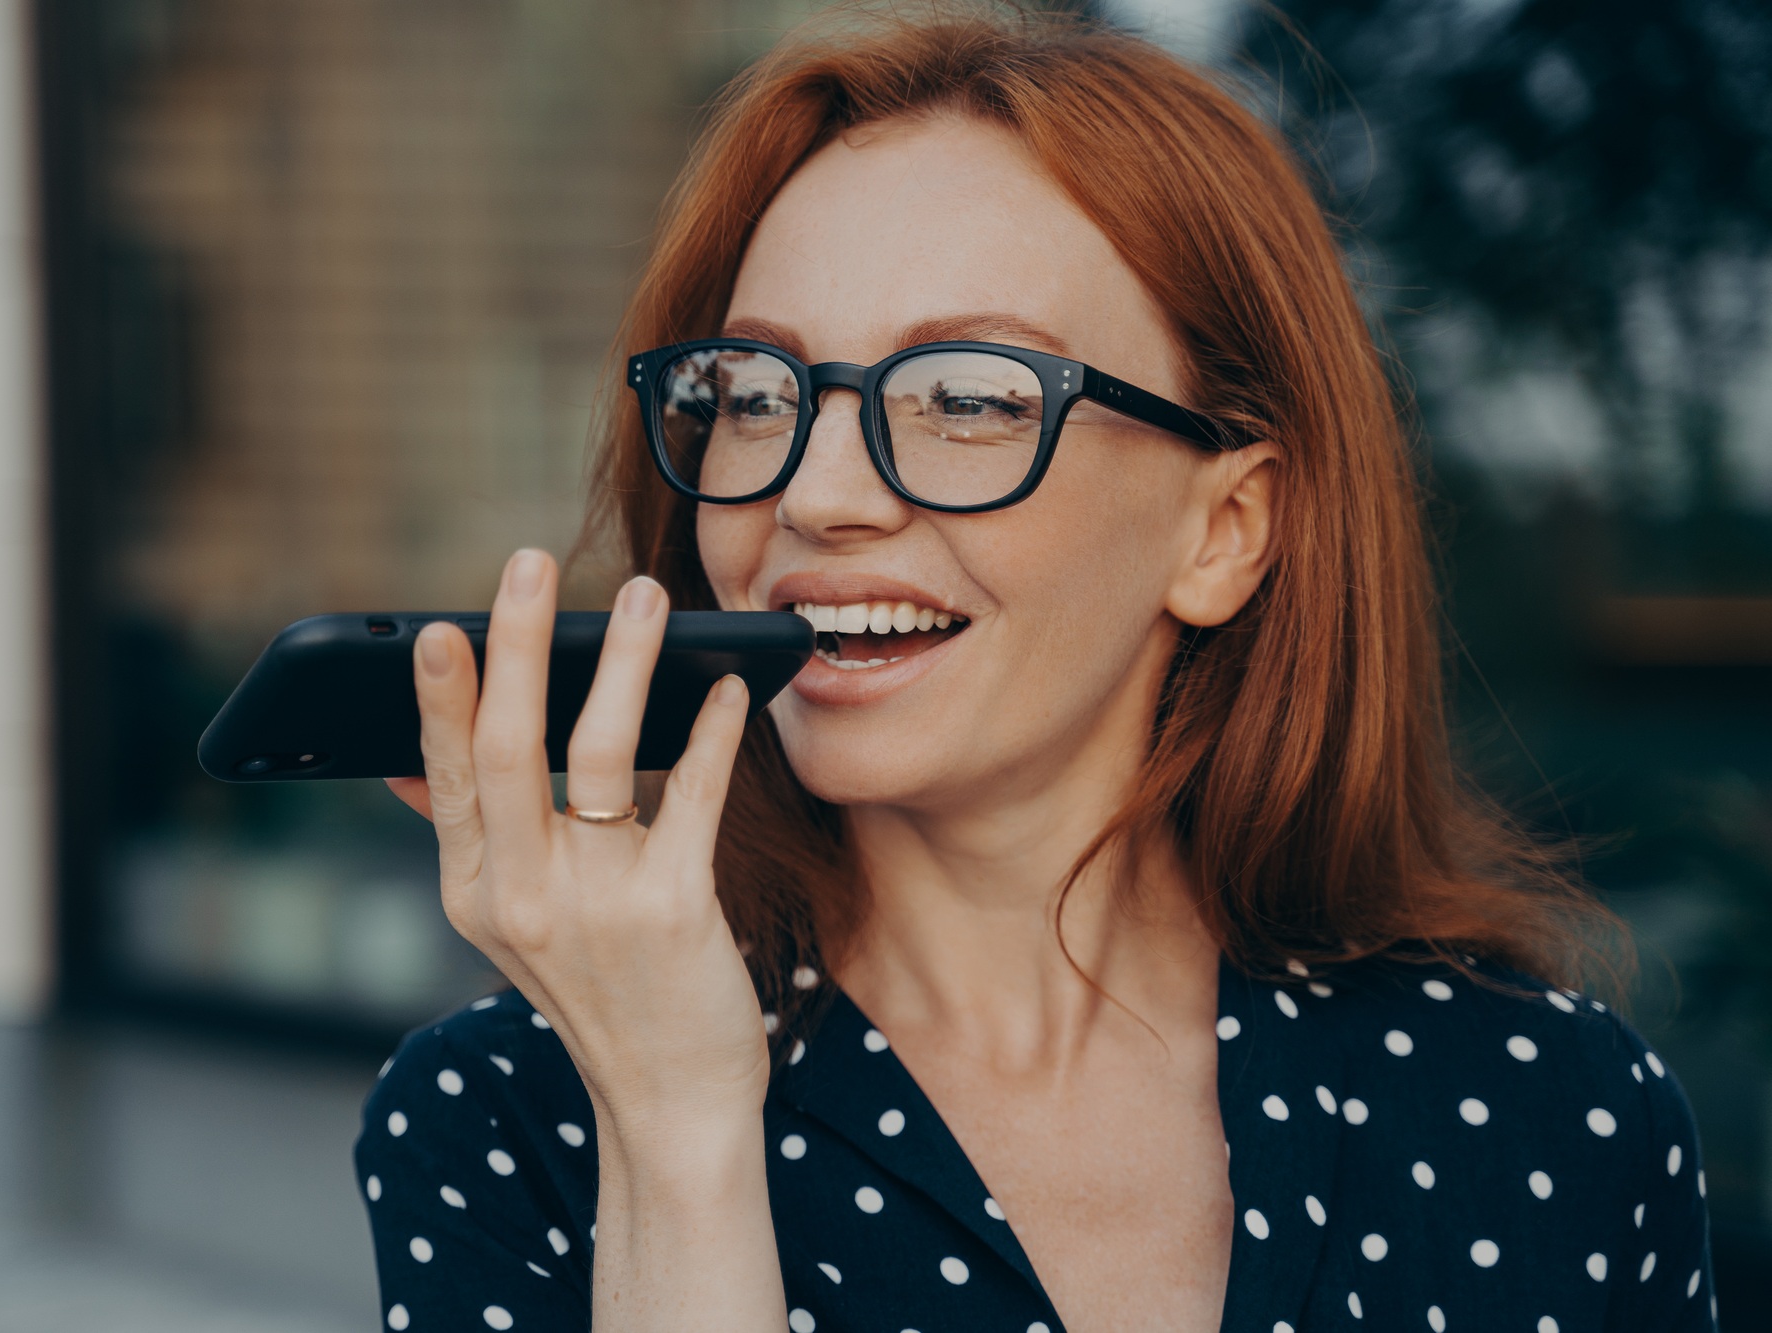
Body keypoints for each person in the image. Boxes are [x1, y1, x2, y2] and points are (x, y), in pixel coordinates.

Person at [354, 9, 1714, 1331]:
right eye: (757, 395)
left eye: (967, 399)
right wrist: (671, 1126)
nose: (817, 495)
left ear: (1224, 531)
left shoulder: (1551, 1107)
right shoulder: (510, 1118)